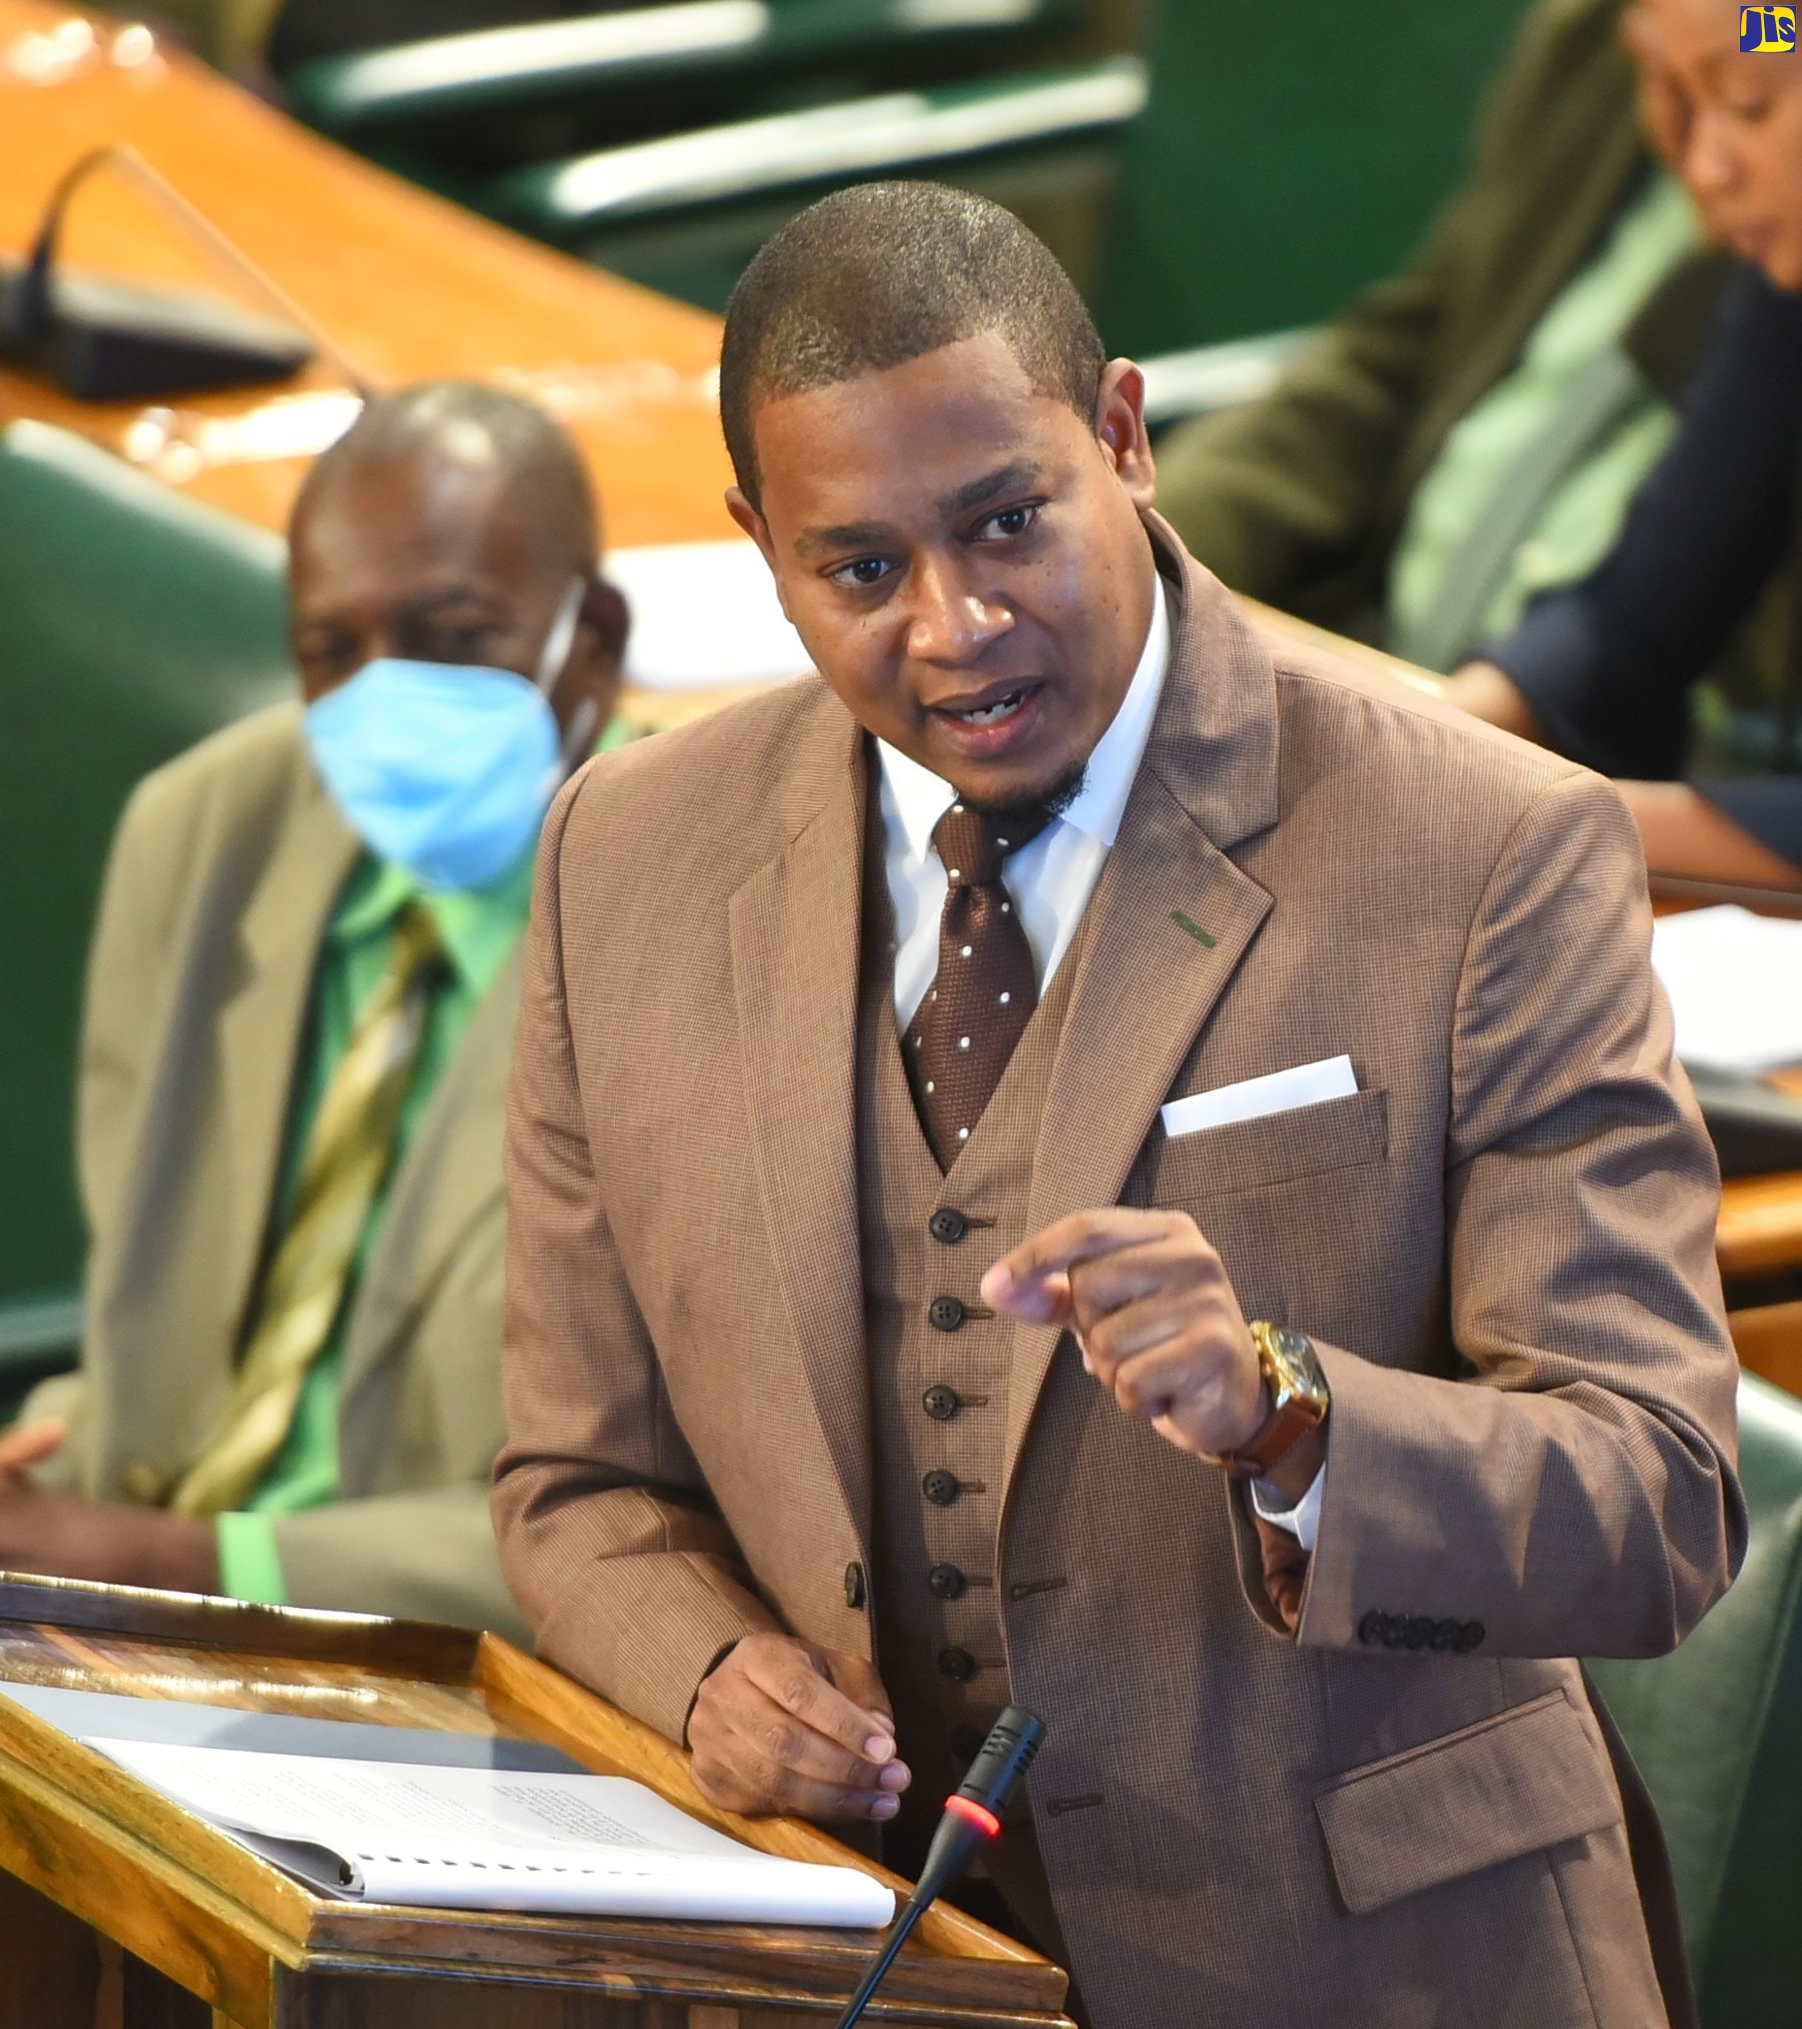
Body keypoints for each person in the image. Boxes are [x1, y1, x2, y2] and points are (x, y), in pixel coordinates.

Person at [491, 183, 1742, 2027]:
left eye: (1008, 520)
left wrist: (1291, 1412)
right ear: (758, 547)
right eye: (858, 570)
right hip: (874, 1969)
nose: (956, 624)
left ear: (1123, 437)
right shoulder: (627, 857)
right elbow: (574, 1478)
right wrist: (699, 1673)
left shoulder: (1484, 847)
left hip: (1380, 1970)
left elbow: (1655, 1498)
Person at [0, 380, 627, 1635]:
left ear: (590, 635)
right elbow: (154, 1347)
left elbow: (640, 1538)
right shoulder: (206, 838)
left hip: (433, 1692)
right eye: (332, 652)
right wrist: (27, 1484)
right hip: (123, 1617)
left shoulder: (702, 947)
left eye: (453, 633)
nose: (385, 698)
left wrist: (174, 1559)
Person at [1154, 0, 1755, 688]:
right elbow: (1416, 345)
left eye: (1744, 109)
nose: (1704, 160)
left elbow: (1630, 650)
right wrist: (1155, 545)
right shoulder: (1602, 39)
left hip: (1612, 758)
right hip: (1373, 656)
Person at [1447, 0, 1802, 888]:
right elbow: (1640, 616)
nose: (1705, 168)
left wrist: (1529, 817)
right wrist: (1435, 735)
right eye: (1674, 92)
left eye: (1751, 107)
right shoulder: (1786, 286)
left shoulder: (1778, 21)